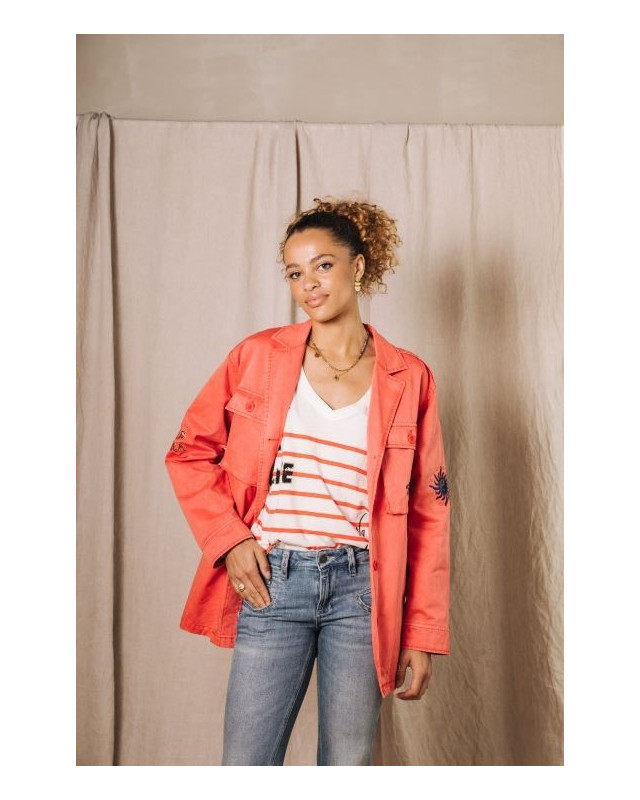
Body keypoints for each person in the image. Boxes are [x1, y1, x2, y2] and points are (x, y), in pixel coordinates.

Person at [165, 197, 451, 766]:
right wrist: (231, 539)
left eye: (323, 265)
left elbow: (429, 512)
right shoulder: (257, 357)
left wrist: (421, 631)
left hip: (363, 591)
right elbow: (188, 452)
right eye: (295, 273)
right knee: (246, 763)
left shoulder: (409, 377)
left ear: (358, 266)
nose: (308, 284)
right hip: (275, 581)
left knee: (346, 765)